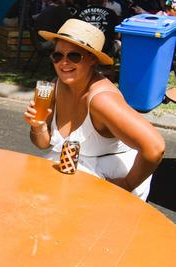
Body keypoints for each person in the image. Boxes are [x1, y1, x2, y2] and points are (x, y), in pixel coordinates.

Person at [24, 19, 165, 200]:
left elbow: (154, 148)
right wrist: (37, 126)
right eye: (57, 56)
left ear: (92, 59)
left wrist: (127, 184)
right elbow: (43, 144)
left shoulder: (102, 100)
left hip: (109, 179)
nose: (64, 63)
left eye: (74, 56)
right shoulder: (55, 86)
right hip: (72, 173)